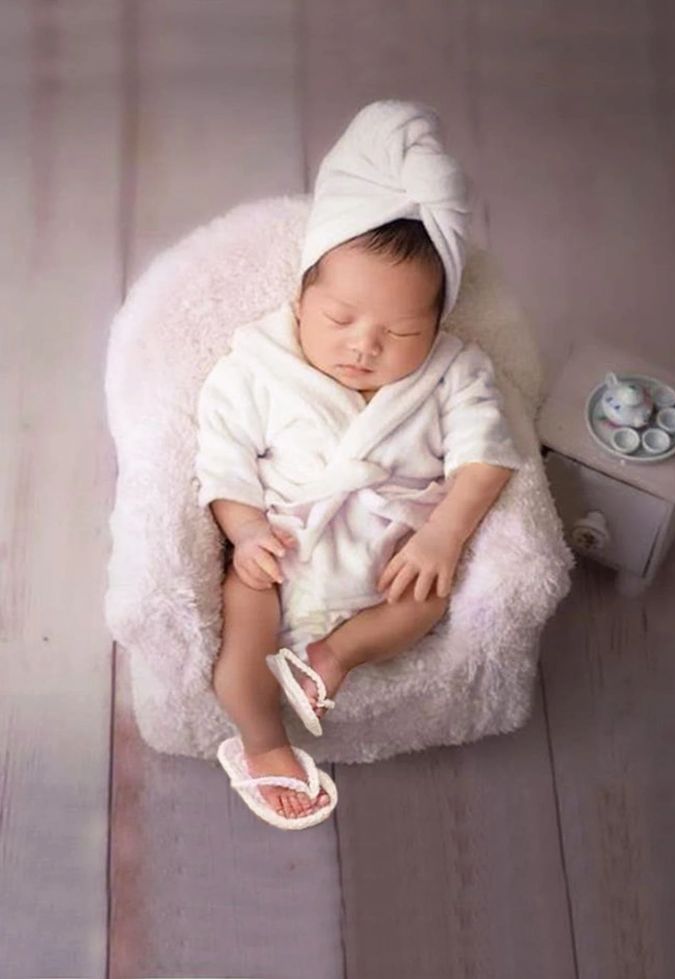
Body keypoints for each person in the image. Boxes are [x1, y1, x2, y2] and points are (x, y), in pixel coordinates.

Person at [194, 101, 524, 823]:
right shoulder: (258, 360)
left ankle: (333, 657)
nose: (363, 347)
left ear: (439, 324)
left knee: (426, 602)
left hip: (390, 557)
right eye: (340, 319)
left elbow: (488, 454)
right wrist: (246, 530)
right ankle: (261, 740)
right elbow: (221, 456)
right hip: (281, 548)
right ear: (302, 293)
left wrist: (445, 532)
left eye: (401, 329)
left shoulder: (454, 371)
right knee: (238, 649)